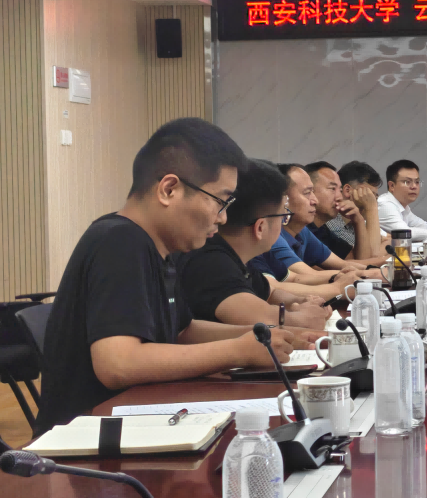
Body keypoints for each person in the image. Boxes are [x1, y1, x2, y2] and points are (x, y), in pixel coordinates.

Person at [35, 118, 302, 433]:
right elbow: (117, 363)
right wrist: (236, 351)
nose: (223, 217)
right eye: (220, 201)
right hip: (86, 439)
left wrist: (264, 335)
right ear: (169, 190)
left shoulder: (161, 248)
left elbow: (182, 330)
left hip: (140, 418)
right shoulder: (119, 241)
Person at [178, 159, 333, 330]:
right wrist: (299, 318)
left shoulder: (236, 256)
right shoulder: (211, 262)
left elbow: (270, 293)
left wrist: (301, 301)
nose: (283, 223)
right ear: (260, 227)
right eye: (283, 216)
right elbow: (259, 316)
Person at [249, 164, 377, 285]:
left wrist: (373, 272)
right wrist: (352, 279)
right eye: (307, 193)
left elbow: (343, 265)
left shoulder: (303, 231)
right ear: (282, 199)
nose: (314, 200)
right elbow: (301, 278)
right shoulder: (272, 236)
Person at [307, 161, 387, 263]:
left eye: (339, 190)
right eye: (332, 189)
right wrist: (371, 208)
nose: (339, 197)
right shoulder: (324, 225)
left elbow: (362, 259)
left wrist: (358, 220)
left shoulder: (322, 230)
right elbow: (369, 259)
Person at [377, 159, 427, 239]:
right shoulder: (385, 205)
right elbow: (404, 233)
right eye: (407, 182)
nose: (414, 186)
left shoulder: (403, 206)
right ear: (392, 186)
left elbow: (425, 227)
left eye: (417, 182)